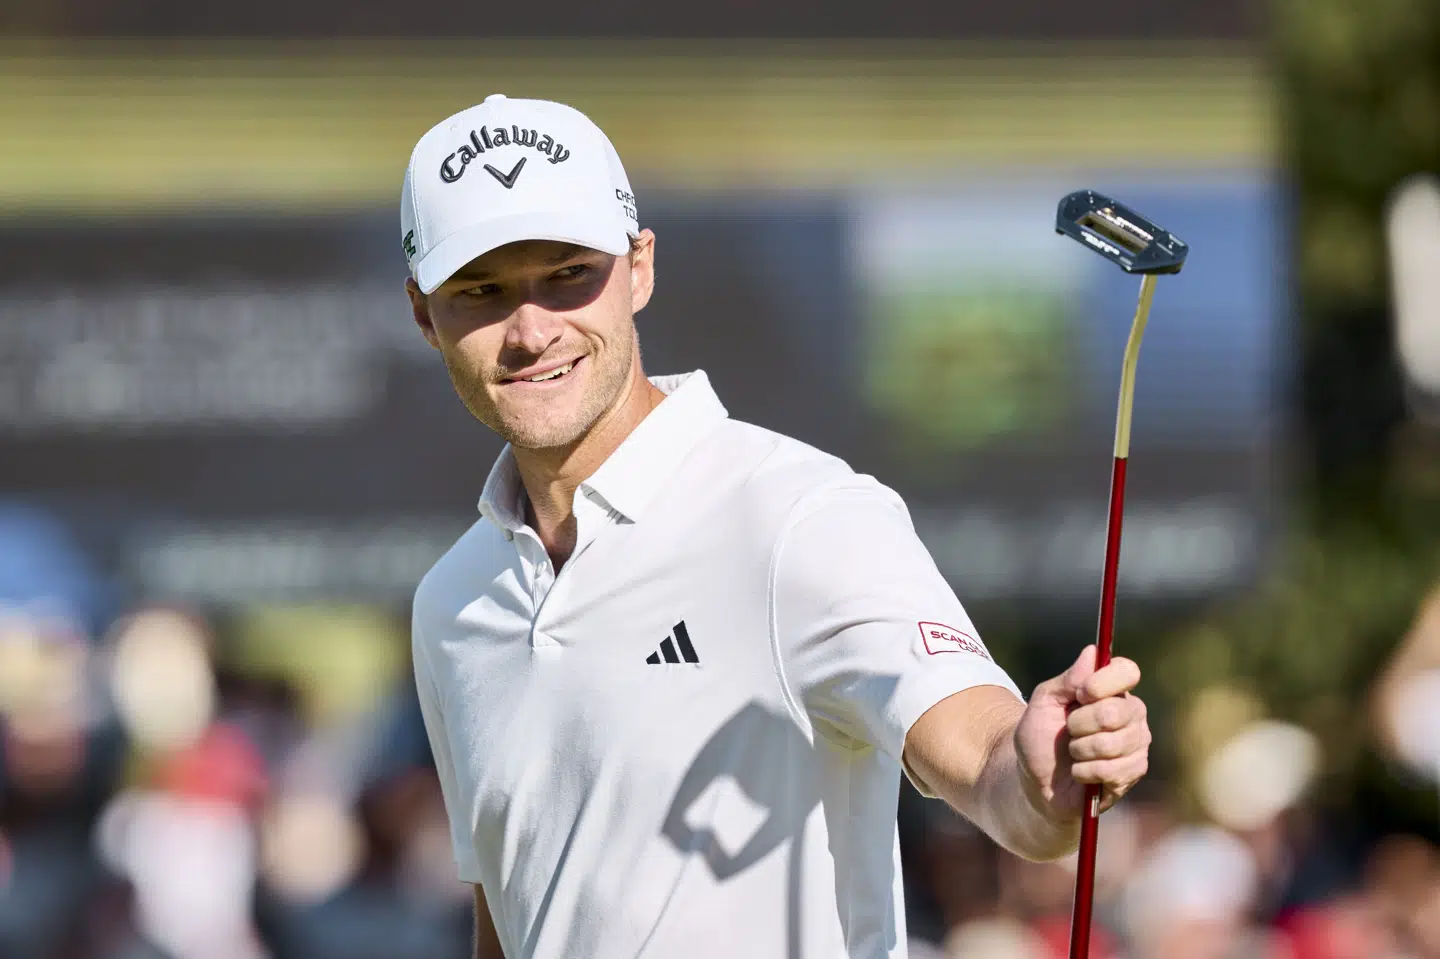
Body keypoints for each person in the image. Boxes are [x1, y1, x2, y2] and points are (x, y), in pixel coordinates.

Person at [402, 95, 1152, 959]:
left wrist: (1037, 777)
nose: (531, 331)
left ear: (639, 269)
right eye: (482, 292)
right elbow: (509, 917)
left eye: (569, 273)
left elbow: (985, 760)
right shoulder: (452, 604)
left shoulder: (800, 515)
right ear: (426, 313)